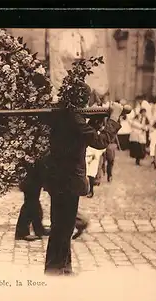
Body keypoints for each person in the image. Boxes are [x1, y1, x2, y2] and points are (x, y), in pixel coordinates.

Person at [42, 97, 123, 276]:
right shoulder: (74, 119)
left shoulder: (64, 116)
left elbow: (82, 137)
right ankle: (55, 269)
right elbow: (100, 141)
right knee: (63, 227)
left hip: (59, 179)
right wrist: (114, 118)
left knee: (62, 226)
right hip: (68, 180)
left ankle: (62, 266)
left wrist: (96, 119)